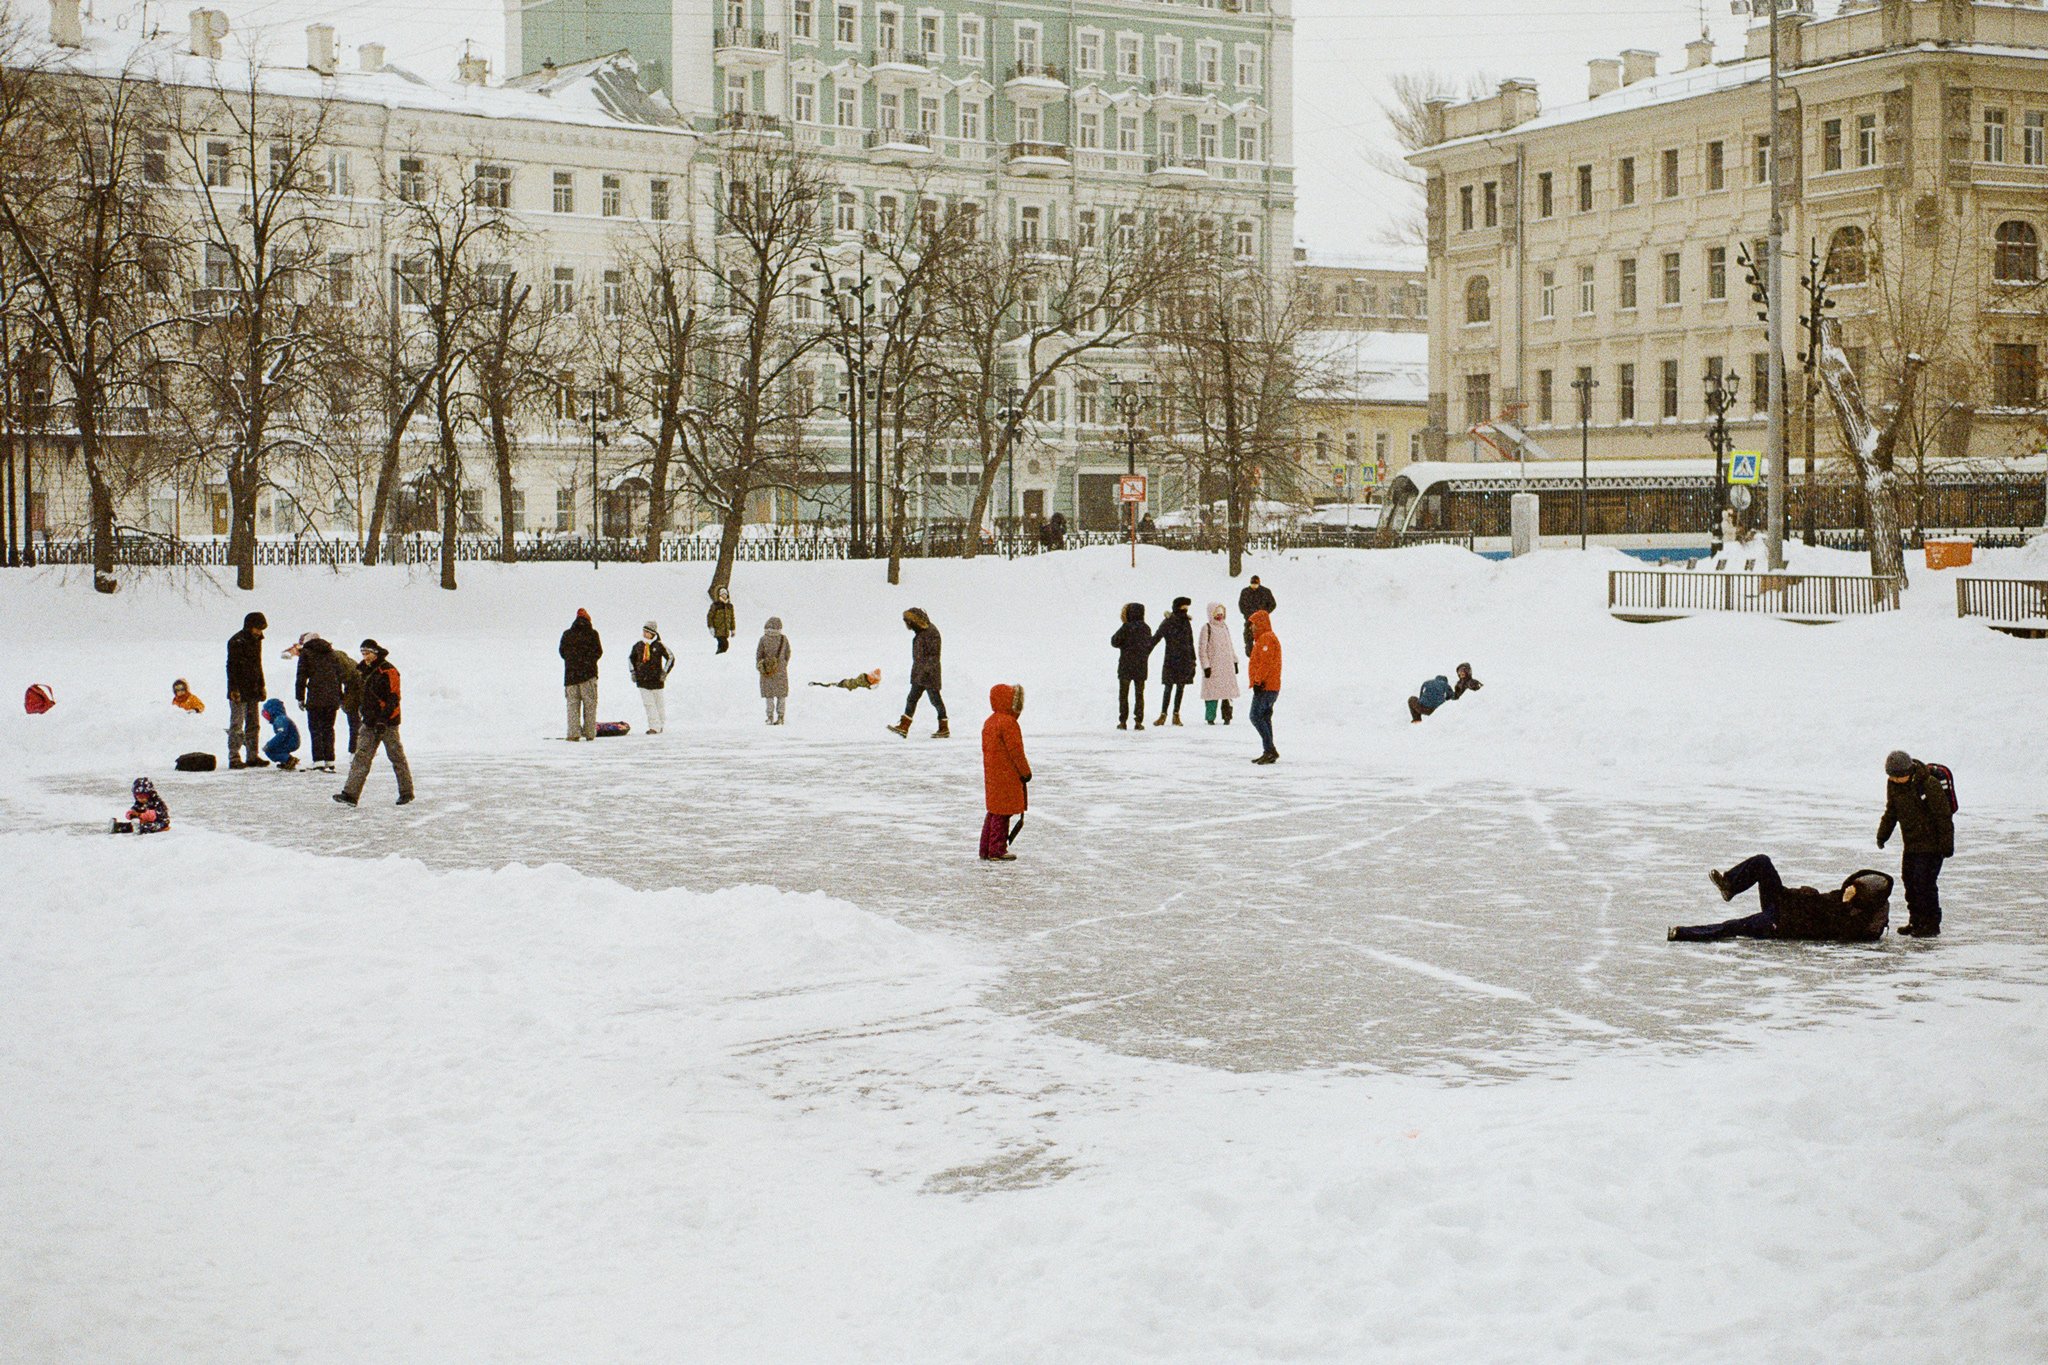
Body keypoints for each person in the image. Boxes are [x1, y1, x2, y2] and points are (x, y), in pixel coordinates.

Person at [1670, 858, 1894, 942]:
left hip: (1782, 922)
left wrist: (1845, 906)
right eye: (1851, 886)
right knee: (1762, 862)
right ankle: (1730, 885)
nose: (1848, 889)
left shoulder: (1857, 918)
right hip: (1784, 901)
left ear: (1864, 898)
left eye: (1854, 890)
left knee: (1734, 926)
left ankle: (1682, 933)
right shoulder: (1844, 895)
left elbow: (1845, 935)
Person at [1879, 749, 1955, 937]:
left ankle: (1931, 924)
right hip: (1912, 844)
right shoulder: (1894, 785)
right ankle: (1916, 921)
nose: (1895, 780)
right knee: (1910, 882)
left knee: (1925, 884)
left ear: (1908, 771)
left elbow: (1943, 816)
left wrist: (1947, 844)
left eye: (1898, 776)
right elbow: (1891, 812)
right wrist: (1883, 834)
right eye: (1892, 777)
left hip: (1932, 845)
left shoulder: (1928, 785)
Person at [335, 640, 414, 807]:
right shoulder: (362, 670)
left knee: (396, 757)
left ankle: (406, 792)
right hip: (369, 722)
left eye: (368, 653)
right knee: (361, 757)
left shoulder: (388, 671)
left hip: (387, 723)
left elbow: (394, 698)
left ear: (376, 653)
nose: (365, 657)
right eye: (363, 654)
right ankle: (350, 794)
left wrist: (383, 720)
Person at [980, 683, 1031, 862]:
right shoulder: (1009, 723)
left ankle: (985, 848)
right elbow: (1016, 752)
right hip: (1007, 775)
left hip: (993, 775)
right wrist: (1025, 772)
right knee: (1002, 813)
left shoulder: (990, 722)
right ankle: (997, 849)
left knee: (994, 811)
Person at [887, 608, 949, 738]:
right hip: (921, 673)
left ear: (914, 621)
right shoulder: (922, 633)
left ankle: (944, 728)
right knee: (912, 699)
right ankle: (904, 727)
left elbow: (932, 655)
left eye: (908, 621)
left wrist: (926, 671)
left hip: (928, 674)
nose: (907, 625)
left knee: (935, 700)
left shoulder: (930, 633)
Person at [293, 634, 346, 772]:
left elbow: (301, 676)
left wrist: (300, 697)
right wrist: (340, 696)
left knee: (315, 729)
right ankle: (330, 759)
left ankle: (318, 760)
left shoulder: (306, 653)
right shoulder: (331, 653)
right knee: (328, 728)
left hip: (315, 696)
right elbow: (338, 675)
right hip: (332, 696)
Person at [225, 610, 268, 768]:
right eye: (257, 628)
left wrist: (261, 685)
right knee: (237, 724)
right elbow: (231, 667)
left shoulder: (257, 641)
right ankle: (234, 757)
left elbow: (258, 665)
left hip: (253, 689)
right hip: (239, 689)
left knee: (253, 724)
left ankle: (252, 755)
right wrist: (233, 689)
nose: (259, 632)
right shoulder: (236, 641)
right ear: (249, 626)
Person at [1109, 602, 1157, 730]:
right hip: (1141, 666)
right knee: (1139, 694)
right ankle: (1138, 721)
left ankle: (1123, 721)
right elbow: (1149, 646)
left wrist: (1124, 646)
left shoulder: (1126, 627)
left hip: (1125, 665)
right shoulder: (1146, 628)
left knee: (1123, 695)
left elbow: (1114, 641)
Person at [559, 608, 602, 742]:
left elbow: (562, 652)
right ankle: (589, 733)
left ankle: (573, 733)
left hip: (570, 676)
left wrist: (573, 662)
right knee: (590, 704)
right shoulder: (593, 634)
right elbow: (598, 652)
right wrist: (588, 662)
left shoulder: (567, 634)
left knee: (572, 705)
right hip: (588, 675)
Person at [1152, 597, 1196, 727]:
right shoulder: (1168, 622)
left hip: (1185, 659)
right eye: (1183, 607)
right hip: (1171, 659)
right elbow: (1156, 638)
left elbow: (1190, 642)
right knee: (1169, 687)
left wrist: (1193, 659)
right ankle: (1163, 714)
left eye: (1186, 608)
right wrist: (1144, 649)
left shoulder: (1186, 622)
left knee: (1180, 687)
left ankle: (1176, 714)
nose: (1185, 610)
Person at [1196, 601, 1240, 726]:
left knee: (1227, 694)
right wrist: (1206, 666)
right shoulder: (1207, 628)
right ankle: (1210, 718)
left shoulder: (1225, 627)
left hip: (1226, 667)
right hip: (1213, 667)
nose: (1220, 616)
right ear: (1211, 614)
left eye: (1222, 613)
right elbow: (1202, 649)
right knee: (1212, 694)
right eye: (1217, 613)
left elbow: (1230, 646)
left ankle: (1227, 717)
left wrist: (1235, 661)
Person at [1247, 608, 1281, 764]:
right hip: (1270, 686)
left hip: (1266, 686)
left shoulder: (1266, 639)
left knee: (1255, 716)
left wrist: (1258, 681)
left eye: (1253, 624)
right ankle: (1269, 750)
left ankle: (1270, 750)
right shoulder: (1263, 639)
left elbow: (1265, 663)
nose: (1251, 627)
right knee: (1265, 718)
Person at [629, 622, 675, 734]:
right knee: (649, 704)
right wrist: (633, 672)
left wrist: (664, 672)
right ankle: (653, 726)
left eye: (647, 632)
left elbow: (671, 658)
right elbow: (631, 659)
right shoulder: (638, 646)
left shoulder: (659, 645)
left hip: (656, 680)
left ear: (653, 633)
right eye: (644, 631)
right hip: (642, 680)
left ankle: (661, 724)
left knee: (659, 703)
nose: (645, 634)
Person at [1409, 663, 1484, 723]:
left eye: (1463, 670)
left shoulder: (1472, 682)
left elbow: (1421, 696)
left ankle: (1417, 719)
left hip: (1466, 710)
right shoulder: (1456, 684)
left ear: (1468, 671)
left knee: (1412, 699)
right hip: (1439, 710)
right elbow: (1452, 696)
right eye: (1459, 671)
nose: (1461, 672)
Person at [756, 616, 792, 725]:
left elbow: (759, 655)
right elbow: (788, 653)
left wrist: (762, 666)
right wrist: (783, 664)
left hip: (767, 671)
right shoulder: (783, 639)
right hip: (780, 670)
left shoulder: (763, 639)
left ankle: (769, 717)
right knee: (781, 695)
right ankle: (781, 717)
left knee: (769, 695)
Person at [259, 698, 302, 771]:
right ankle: (286, 760)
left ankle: (288, 760)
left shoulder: (280, 719)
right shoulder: (281, 718)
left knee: (269, 751)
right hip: (291, 741)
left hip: (291, 742)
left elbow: (281, 734)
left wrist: (269, 745)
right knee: (277, 749)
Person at [1238, 575, 1275, 653]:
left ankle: (1264, 653)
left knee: (1264, 638)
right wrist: (1249, 615)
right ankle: (1250, 655)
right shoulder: (1245, 592)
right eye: (1252, 584)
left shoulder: (1265, 592)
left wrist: (1264, 613)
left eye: (1256, 584)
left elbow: (1272, 604)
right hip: (1250, 619)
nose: (1254, 586)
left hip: (1262, 620)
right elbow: (1241, 606)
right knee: (1248, 639)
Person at [707, 586, 736, 655]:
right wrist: (711, 627)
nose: (724, 596)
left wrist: (733, 629)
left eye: (725, 594)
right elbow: (710, 616)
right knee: (724, 643)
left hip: (726, 630)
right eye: (722, 594)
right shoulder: (716, 605)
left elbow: (732, 618)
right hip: (718, 629)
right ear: (719, 595)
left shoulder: (729, 606)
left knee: (723, 645)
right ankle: (719, 656)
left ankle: (720, 657)